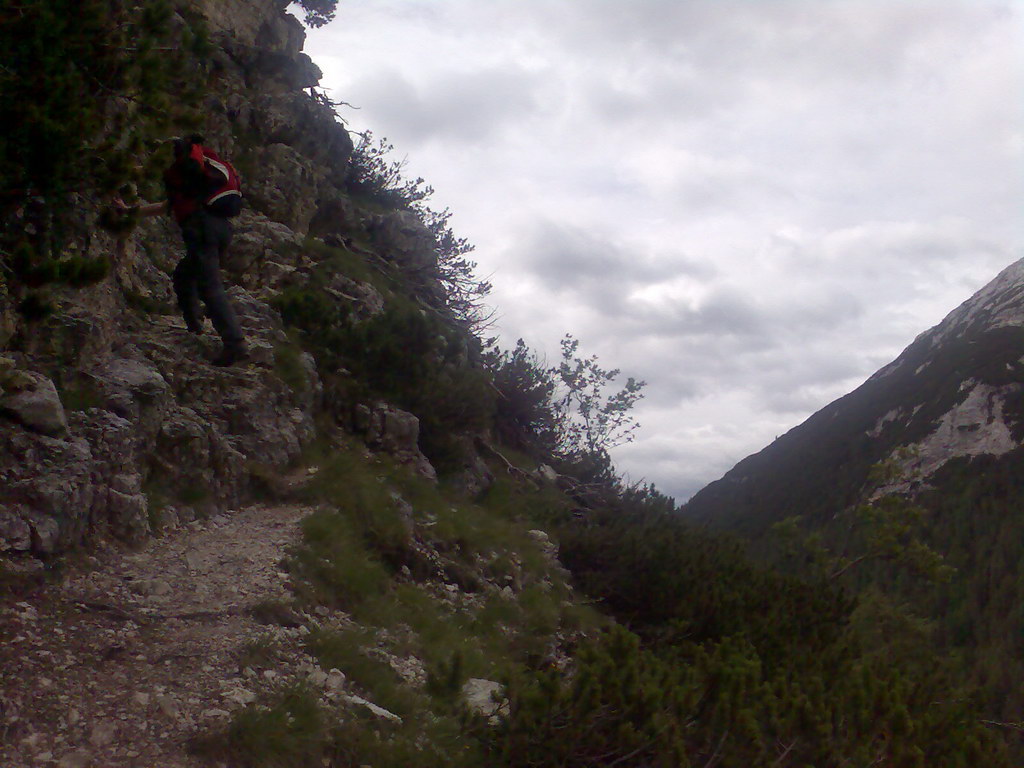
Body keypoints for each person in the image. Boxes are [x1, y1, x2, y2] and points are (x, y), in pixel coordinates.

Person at [122, 134, 246, 366]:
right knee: (184, 275)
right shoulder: (198, 179)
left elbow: (146, 174)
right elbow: (166, 207)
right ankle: (195, 327)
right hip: (221, 228)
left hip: (201, 227)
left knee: (209, 285)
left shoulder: (180, 172)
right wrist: (130, 211)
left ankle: (235, 344)